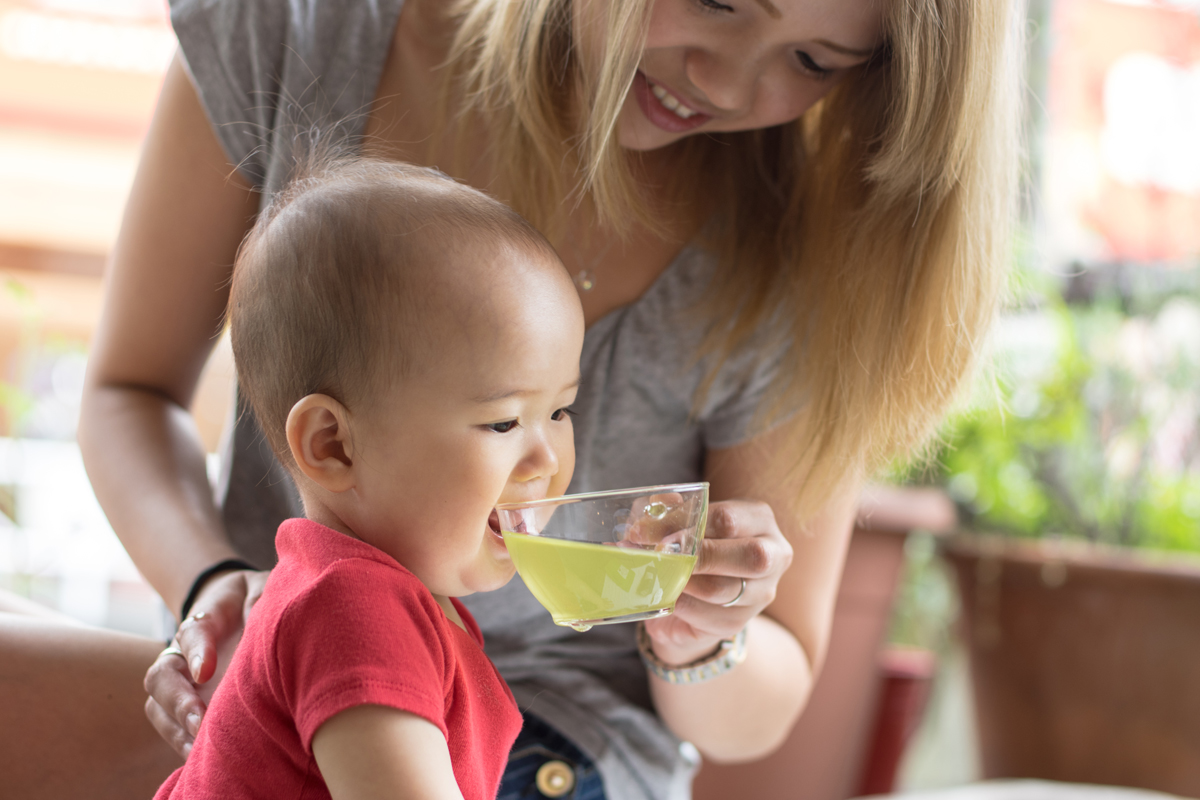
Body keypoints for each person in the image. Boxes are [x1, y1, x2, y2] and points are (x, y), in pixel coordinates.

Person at [0, 0, 1019, 798]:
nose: (728, 78)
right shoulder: (298, 32)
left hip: (558, 745)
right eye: (714, 2)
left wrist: (705, 631)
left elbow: (762, 700)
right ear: (327, 438)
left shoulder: (795, 263)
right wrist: (217, 586)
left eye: (817, 61)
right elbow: (130, 389)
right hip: (279, 663)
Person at [155, 158, 583, 800]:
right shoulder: (356, 605)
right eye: (502, 423)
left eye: (559, 411)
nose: (546, 458)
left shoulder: (385, 596)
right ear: (333, 446)